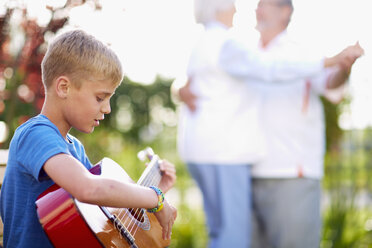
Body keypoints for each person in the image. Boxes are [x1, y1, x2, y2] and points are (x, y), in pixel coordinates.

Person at [0, 29, 177, 247]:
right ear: (64, 87)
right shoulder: (35, 133)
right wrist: (154, 198)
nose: (108, 108)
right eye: (100, 97)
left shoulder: (74, 149)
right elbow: (89, 189)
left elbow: (106, 215)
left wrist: (156, 189)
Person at [218, 0, 364, 247]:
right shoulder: (245, 50)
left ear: (285, 11)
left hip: (292, 174)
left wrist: (343, 68)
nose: (257, 9)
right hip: (244, 173)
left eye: (266, 4)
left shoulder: (303, 50)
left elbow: (331, 84)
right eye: (257, 4)